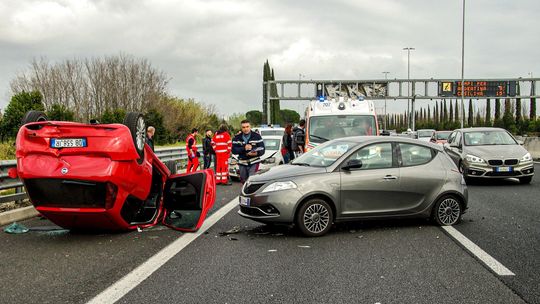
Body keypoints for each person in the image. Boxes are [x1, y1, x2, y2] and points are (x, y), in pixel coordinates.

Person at [231, 119, 265, 184]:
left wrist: (256, 153)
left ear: (250, 127)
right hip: (242, 163)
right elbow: (234, 150)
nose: (246, 129)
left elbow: (262, 149)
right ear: (241, 128)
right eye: (243, 127)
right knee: (244, 182)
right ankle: (245, 193)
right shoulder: (237, 138)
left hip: (254, 162)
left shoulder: (257, 136)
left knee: (252, 180)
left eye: (247, 127)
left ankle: (252, 194)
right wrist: (244, 148)